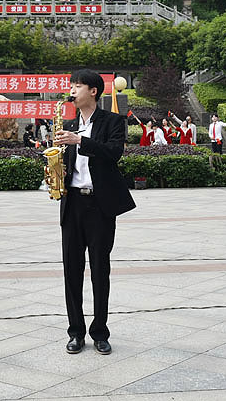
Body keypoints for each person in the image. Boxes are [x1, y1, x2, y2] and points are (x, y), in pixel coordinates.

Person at [54, 69, 136, 356]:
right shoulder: (67, 124)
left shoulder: (112, 121)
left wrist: (80, 141)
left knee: (100, 270)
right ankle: (75, 332)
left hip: (100, 205)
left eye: (78, 86)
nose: (72, 90)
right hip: (72, 203)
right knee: (71, 271)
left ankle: (100, 332)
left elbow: (113, 153)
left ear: (93, 91)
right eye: (71, 85)